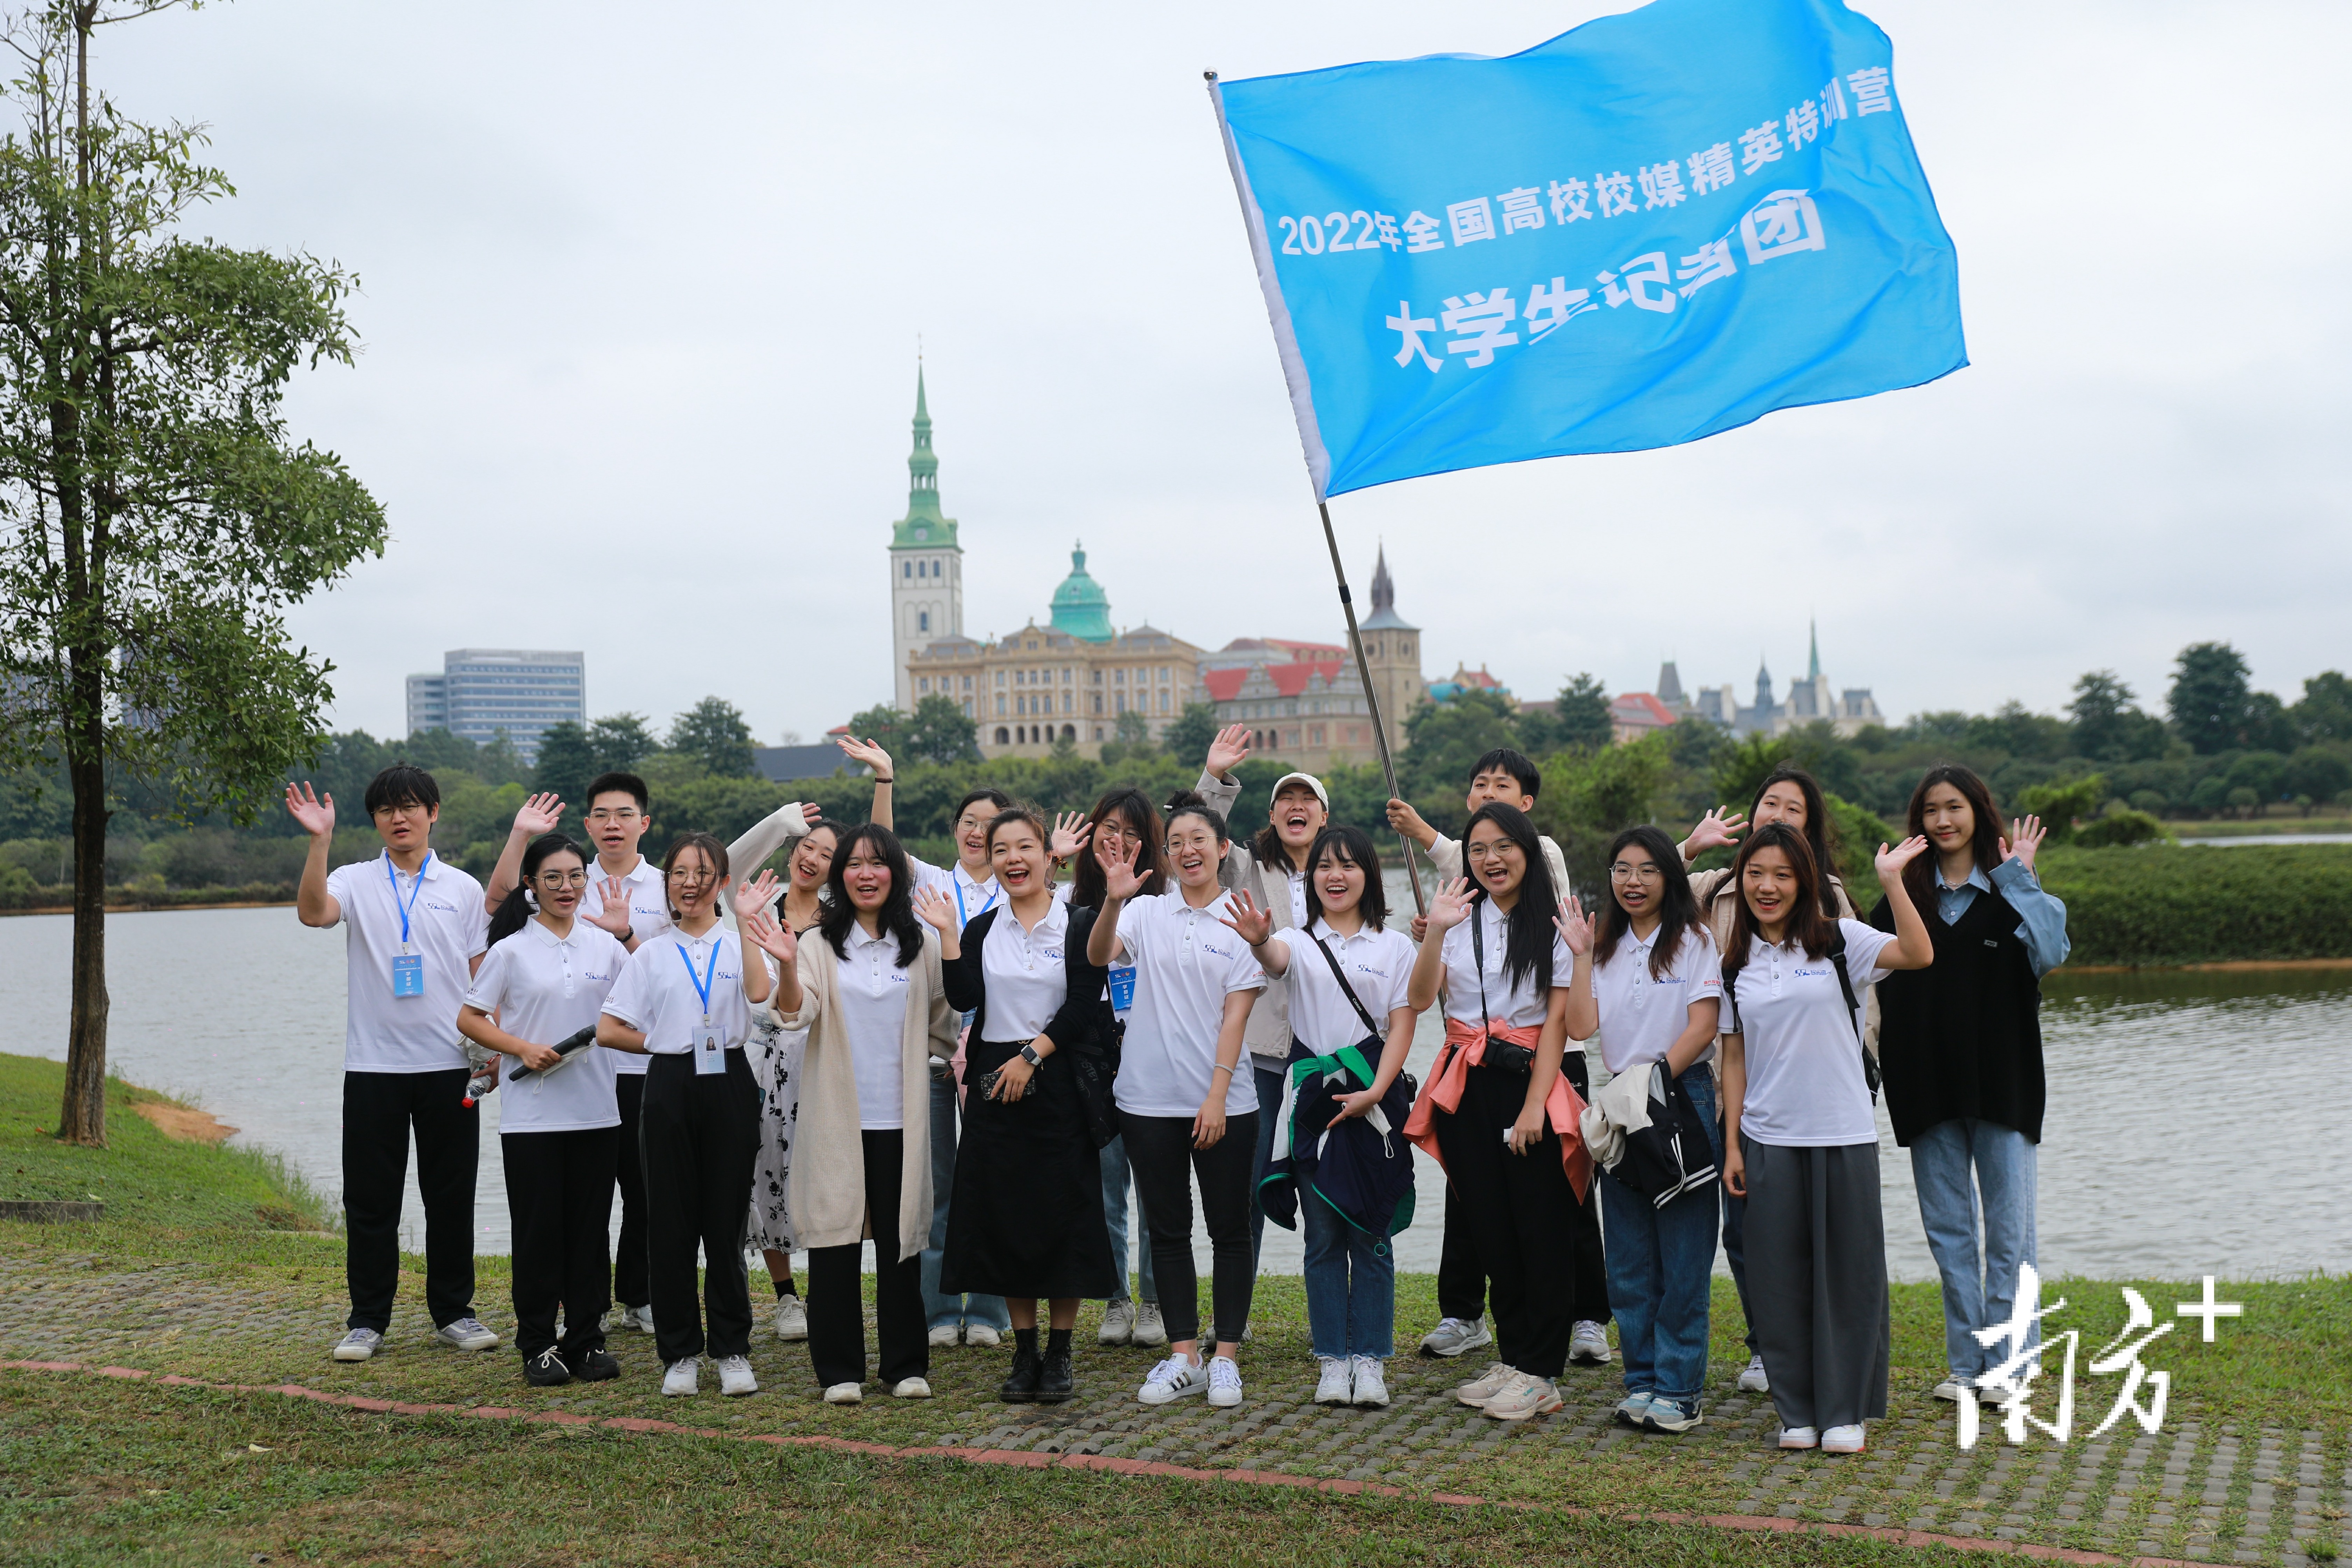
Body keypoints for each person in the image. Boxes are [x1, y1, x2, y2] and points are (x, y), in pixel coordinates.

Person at [1719, 822, 1933, 1455]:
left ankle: (1845, 1411)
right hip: (1767, 1136)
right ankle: (1797, 1411)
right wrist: (1732, 1144)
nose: (1767, 886)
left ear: (1805, 881)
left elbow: (1920, 955)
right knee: (1777, 1276)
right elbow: (1733, 1059)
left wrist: (1894, 883)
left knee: (1848, 1273)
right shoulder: (1734, 962)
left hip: (1841, 1131)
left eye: (1783, 875)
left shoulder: (1843, 941)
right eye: (1756, 873)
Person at [289, 766, 500, 1365]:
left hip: (448, 1065)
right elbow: (313, 914)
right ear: (376, 820)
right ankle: (367, 1320)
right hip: (374, 1067)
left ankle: (454, 1313)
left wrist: (489, 1054)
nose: (399, 818)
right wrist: (318, 841)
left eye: (410, 806)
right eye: (387, 809)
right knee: (371, 1200)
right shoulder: (354, 880)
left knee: (451, 1197)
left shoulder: (461, 888)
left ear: (433, 812)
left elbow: (483, 977)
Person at [1872, 765, 2069, 1403]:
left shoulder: (2015, 890)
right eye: (1931, 810)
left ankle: (2011, 1363)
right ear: (1919, 822)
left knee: (2010, 1233)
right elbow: (1861, 971)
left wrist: (2020, 878)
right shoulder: (1904, 895)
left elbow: (2053, 952)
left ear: (1978, 813)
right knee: (1949, 1231)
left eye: (1954, 807)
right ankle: (1968, 1364)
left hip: (2004, 1085)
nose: (1943, 820)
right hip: (1925, 1086)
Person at [1385, 748, 1582, 1363]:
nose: (1492, 860)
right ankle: (1513, 1358)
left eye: (1504, 848)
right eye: (1479, 850)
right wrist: (1437, 929)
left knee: (1538, 1229)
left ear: (1528, 851)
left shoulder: (1551, 924)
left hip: (1530, 1082)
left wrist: (1532, 1109)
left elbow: (1558, 1023)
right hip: (1466, 1083)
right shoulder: (1459, 917)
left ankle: (1540, 1368)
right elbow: (1420, 1000)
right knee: (1490, 1227)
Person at [753, 824, 960, 1404]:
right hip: (835, 1116)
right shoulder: (818, 944)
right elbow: (795, 1015)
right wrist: (788, 965)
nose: (866, 873)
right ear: (838, 875)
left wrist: (950, 942)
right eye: (854, 864)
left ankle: (904, 1365)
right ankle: (840, 1370)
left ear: (896, 872)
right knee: (835, 1241)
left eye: (878, 863)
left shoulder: (918, 944)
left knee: (901, 1242)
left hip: (903, 1117)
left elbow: (945, 1022)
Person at [1221, 825, 1419, 1410]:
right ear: (1314, 881)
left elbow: (1403, 1024)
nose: (1336, 875)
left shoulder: (1395, 947)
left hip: (1376, 1097)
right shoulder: (1297, 940)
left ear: (1368, 875)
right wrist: (1258, 941)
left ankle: (1371, 1361)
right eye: (1326, 867)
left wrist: (1377, 1092)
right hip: (1313, 1101)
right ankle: (1333, 1360)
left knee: (1373, 1233)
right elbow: (1275, 960)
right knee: (1324, 1235)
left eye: (1349, 865)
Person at [1674, 765, 1857, 1397]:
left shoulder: (1825, 895)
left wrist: (1860, 1072)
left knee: (1810, 1231)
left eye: (1794, 808)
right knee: (1745, 1229)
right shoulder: (1713, 887)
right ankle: (1766, 1345)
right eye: (1769, 804)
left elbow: (1862, 999)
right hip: (1727, 1085)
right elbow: (1639, 888)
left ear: (1812, 828)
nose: (1778, 815)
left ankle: (1815, 1350)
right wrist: (1692, 845)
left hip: (1811, 1093)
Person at [924, 808, 1116, 1403]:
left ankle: (1060, 1353)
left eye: (1024, 847)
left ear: (1047, 856)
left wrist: (1033, 1055)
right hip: (995, 1089)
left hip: (1057, 1084)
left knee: (1065, 1219)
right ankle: (1025, 1350)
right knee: (1006, 1219)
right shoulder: (984, 928)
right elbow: (965, 1000)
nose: (1012, 858)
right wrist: (950, 938)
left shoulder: (1078, 923)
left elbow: (1084, 1004)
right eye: (1001, 849)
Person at [1087, 792, 1267, 1409]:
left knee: (1230, 1230)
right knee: (1167, 1230)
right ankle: (1183, 1354)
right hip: (1146, 1100)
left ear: (1222, 849)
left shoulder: (1241, 919)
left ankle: (1227, 1359)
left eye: (1200, 841)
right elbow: (1097, 956)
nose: (1189, 851)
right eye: (1177, 843)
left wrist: (1216, 1097)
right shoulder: (1144, 914)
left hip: (1226, 1101)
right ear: (1166, 856)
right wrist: (1114, 898)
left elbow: (1236, 1019)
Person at [595, 835, 778, 1398]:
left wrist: (749, 927)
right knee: (670, 1225)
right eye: (679, 873)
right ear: (666, 883)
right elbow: (608, 1028)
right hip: (670, 1082)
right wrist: (665, 1042)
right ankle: (679, 1353)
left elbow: (761, 996)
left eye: (702, 873)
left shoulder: (741, 942)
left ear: (722, 882)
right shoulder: (650, 952)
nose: (690, 883)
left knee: (724, 1225)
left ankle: (731, 1349)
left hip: (729, 1079)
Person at [1557, 826, 1724, 1435]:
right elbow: (1580, 1025)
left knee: (1682, 1254)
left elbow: (1703, 1027)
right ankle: (1642, 1381)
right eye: (1622, 870)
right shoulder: (1605, 946)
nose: (1633, 881)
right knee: (1628, 1257)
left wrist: (1652, 1084)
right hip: (1621, 1101)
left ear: (1669, 877)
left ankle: (1680, 1389)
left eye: (1648, 870)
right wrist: (1579, 954)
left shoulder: (1695, 940)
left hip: (1681, 1096)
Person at [458, 831, 631, 1386]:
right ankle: (537, 1344)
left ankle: (585, 1341)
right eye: (553, 877)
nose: (566, 887)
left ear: (589, 881)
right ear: (530, 884)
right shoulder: (510, 950)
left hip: (597, 1112)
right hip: (532, 1118)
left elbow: (635, 1011)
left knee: (589, 1233)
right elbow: (470, 1019)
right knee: (539, 1233)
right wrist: (520, 1048)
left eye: (576, 876)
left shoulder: (605, 946)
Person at [1191, 726, 1325, 1277]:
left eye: (1306, 800)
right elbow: (1199, 838)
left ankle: (1334, 1295)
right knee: (1249, 1177)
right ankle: (1237, 1304)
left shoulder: (1343, 873)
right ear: (1272, 817)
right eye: (1285, 801)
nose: (1295, 808)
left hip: (1328, 1047)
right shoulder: (1245, 868)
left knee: (1327, 1176)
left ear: (1322, 815)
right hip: (1263, 1048)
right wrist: (1214, 778)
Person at [1065, 787, 1168, 1349]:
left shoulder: (1165, 900)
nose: (1118, 840)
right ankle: (1115, 1299)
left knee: (1156, 1191)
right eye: (1109, 827)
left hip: (1153, 1058)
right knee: (1106, 1190)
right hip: (1091, 1062)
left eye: (1132, 833)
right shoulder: (1068, 900)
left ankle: (1153, 1300)